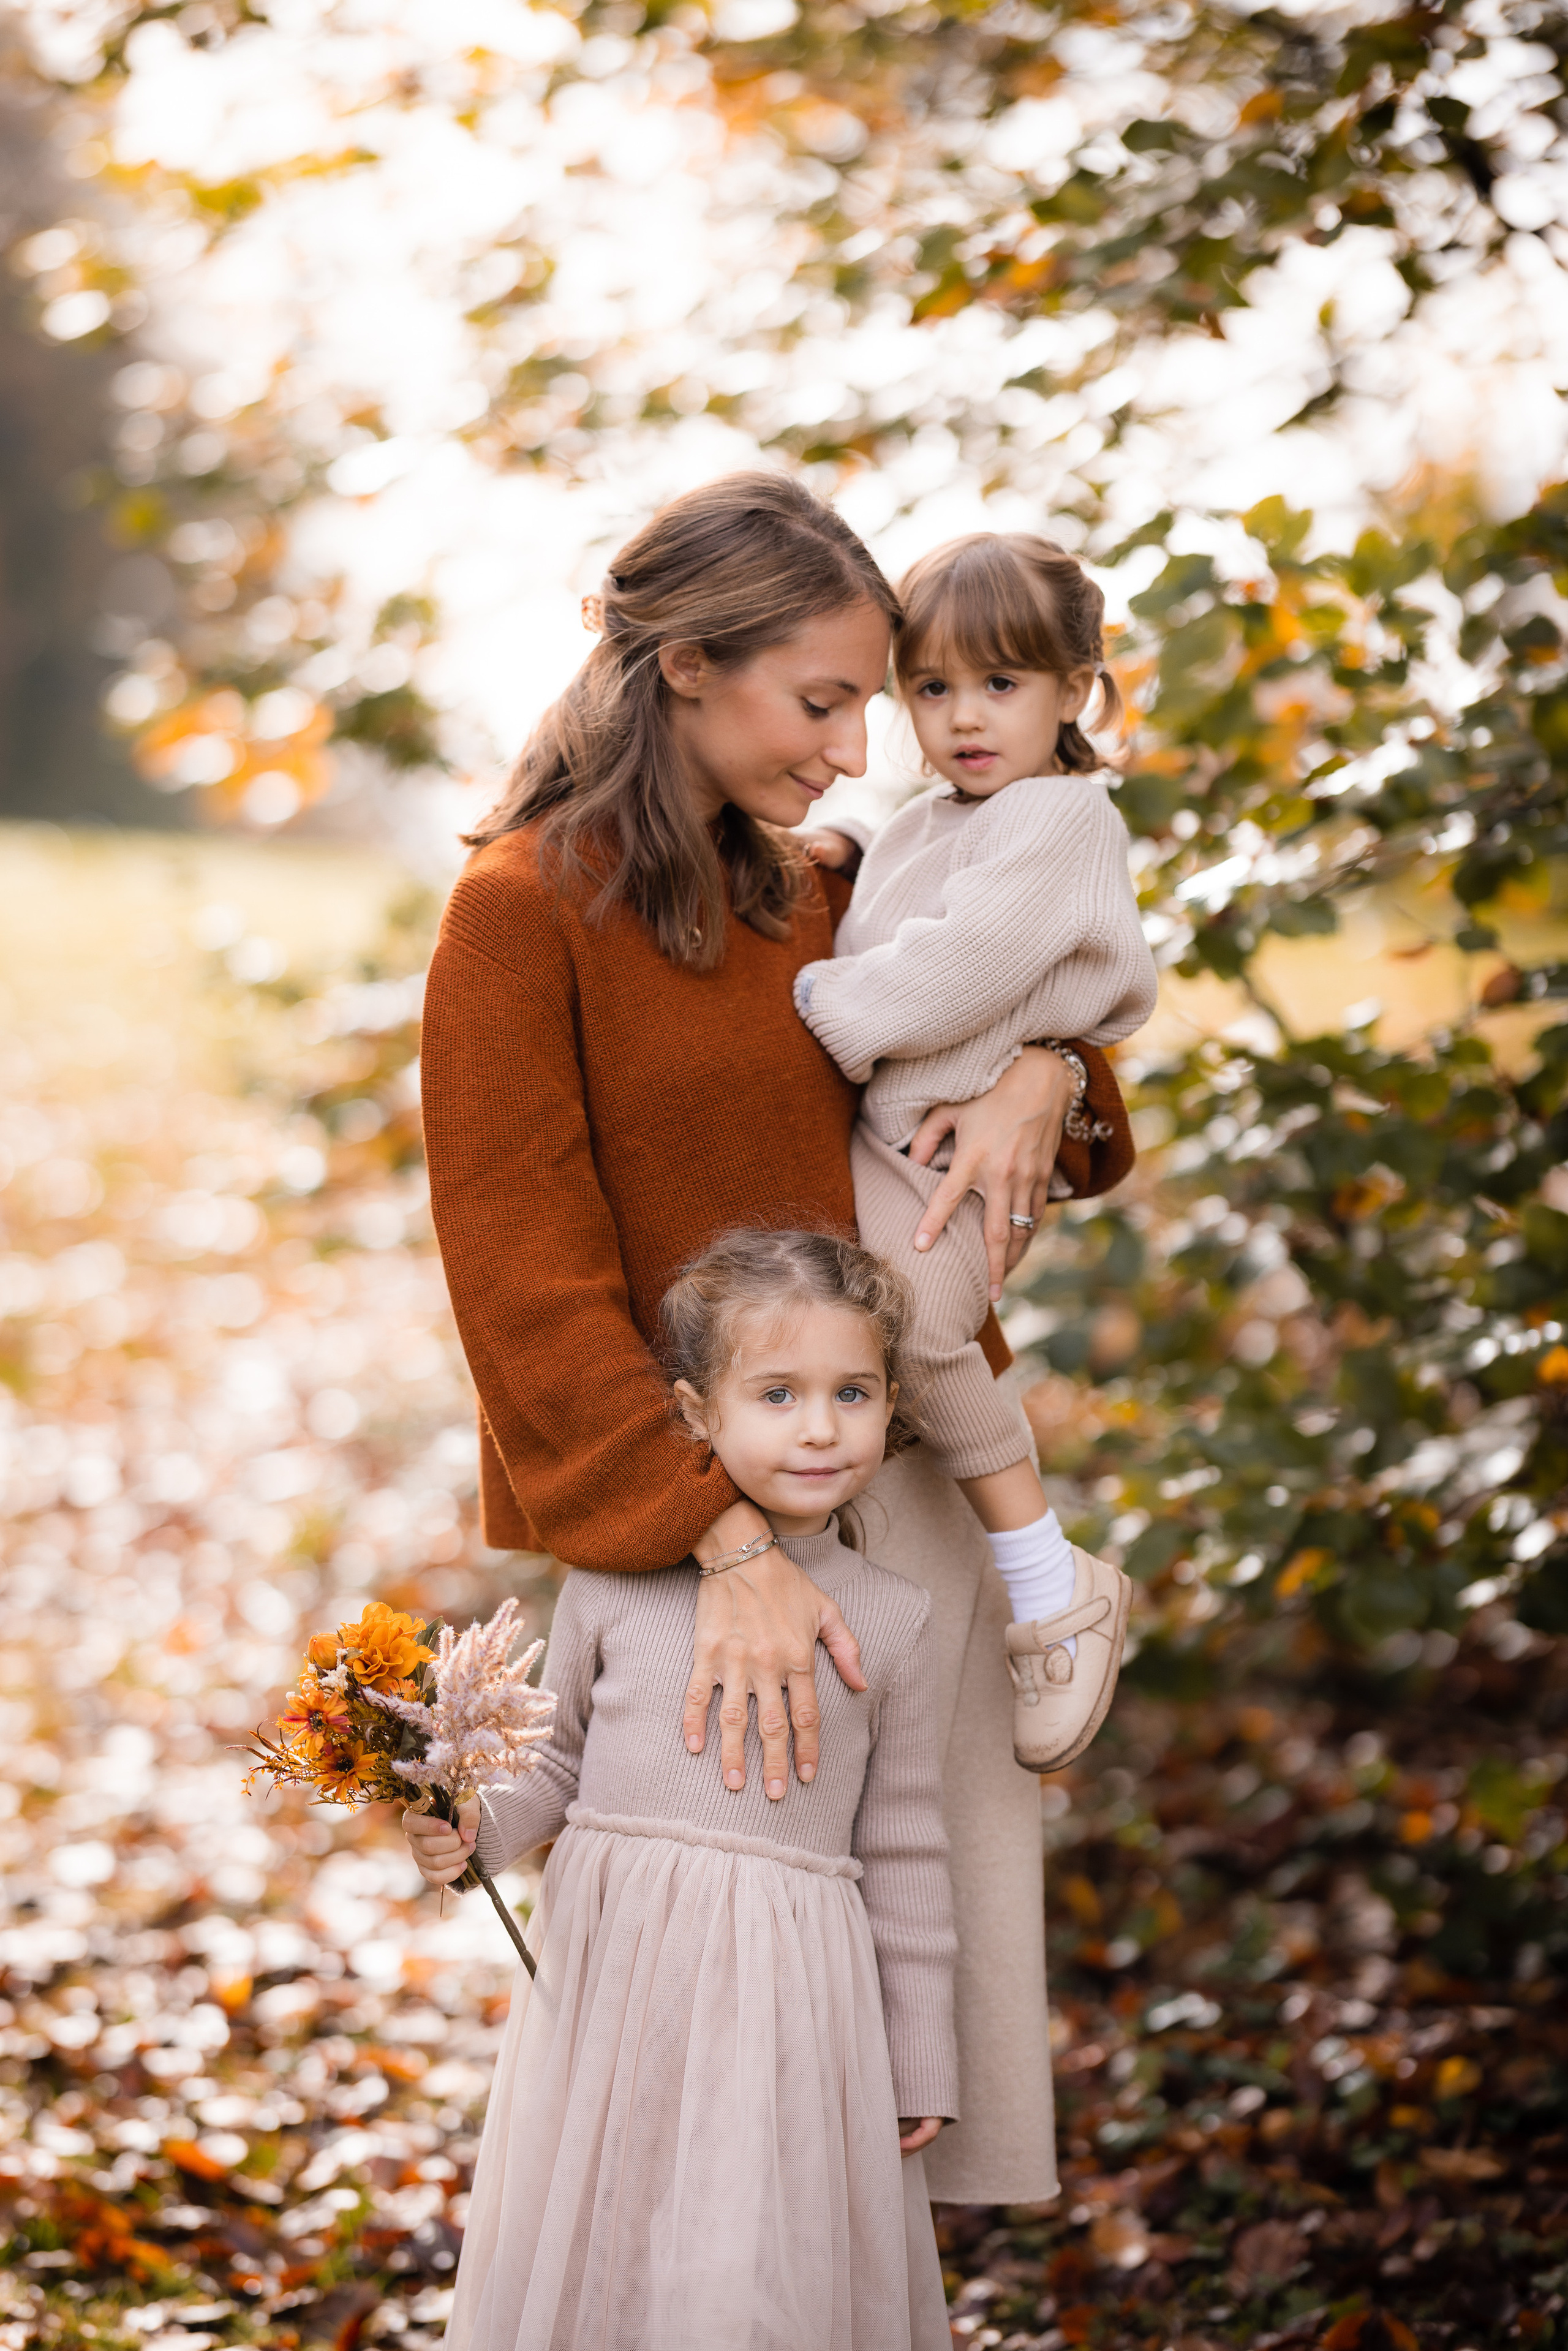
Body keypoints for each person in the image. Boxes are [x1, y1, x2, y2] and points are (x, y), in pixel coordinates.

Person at [419, 470, 1133, 2203]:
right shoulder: (521, 915)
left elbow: (1002, 1066)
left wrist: (1063, 1071)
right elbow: (526, 1279)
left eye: (866, 707)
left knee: (899, 2052)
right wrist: (724, 1537)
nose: (850, 746)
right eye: (822, 700)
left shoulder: (819, 889)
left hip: (904, 1517)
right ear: (683, 664)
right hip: (689, 1552)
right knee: (715, 2069)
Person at [405, 1230, 958, 2351]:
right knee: (614, 2210)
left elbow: (904, 1840)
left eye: (851, 1392)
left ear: (891, 1402)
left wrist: (920, 2050)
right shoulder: (614, 1579)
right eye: (778, 1393)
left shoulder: (894, 1616)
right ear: (698, 1414)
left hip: (789, 1981)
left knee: (752, 2238)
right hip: (623, 1963)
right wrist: (475, 1831)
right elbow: (555, 1757)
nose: (818, 1426)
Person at [794, 531, 1158, 1772]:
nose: (960, 718)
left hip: (951, 1158)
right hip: (896, 1144)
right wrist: (839, 857)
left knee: (920, 1327)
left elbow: (951, 967)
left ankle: (1053, 1586)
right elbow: (895, 904)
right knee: (832, 1329)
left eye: (999, 684)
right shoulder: (936, 818)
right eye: (930, 688)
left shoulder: (1058, 817)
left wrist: (818, 1013)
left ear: (1075, 687)